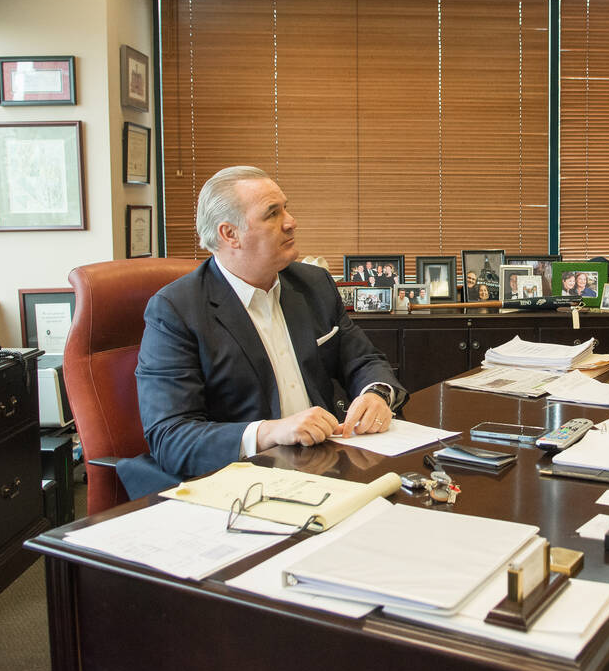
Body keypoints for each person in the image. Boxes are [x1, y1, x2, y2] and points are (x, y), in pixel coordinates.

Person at [127, 166, 407, 498]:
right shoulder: (176, 310)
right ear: (230, 234)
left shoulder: (313, 284)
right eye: (272, 214)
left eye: (286, 208)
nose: (291, 221)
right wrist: (268, 432)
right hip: (243, 486)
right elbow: (170, 437)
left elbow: (363, 359)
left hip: (325, 466)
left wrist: (376, 394)